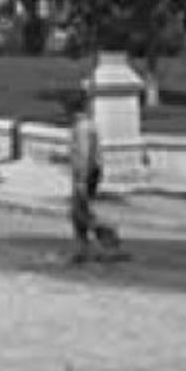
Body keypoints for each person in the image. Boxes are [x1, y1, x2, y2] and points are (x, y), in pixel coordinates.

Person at [65, 92, 123, 262]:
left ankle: (106, 232)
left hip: (86, 173)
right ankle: (82, 249)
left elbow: (84, 153)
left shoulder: (82, 127)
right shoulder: (88, 125)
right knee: (78, 212)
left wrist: (81, 180)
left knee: (79, 212)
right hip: (91, 171)